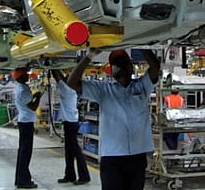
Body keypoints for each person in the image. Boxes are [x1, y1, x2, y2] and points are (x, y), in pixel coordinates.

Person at [68, 49, 161, 190]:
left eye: (123, 62)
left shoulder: (141, 87)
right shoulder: (103, 90)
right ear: (111, 70)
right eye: (115, 64)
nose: (120, 66)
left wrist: (142, 45)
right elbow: (72, 82)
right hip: (112, 158)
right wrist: (89, 56)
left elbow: (155, 68)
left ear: (130, 66)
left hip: (137, 157)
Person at [51, 70, 90, 185]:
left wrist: (52, 67)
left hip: (71, 124)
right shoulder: (70, 89)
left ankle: (84, 176)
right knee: (69, 151)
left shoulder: (67, 90)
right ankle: (70, 175)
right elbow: (62, 78)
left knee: (75, 151)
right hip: (70, 123)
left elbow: (58, 77)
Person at [12, 68, 42, 189]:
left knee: (22, 152)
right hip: (26, 122)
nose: (27, 76)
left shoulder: (22, 88)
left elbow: (28, 101)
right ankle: (23, 181)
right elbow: (33, 106)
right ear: (19, 77)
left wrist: (34, 94)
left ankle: (19, 179)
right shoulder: (22, 91)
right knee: (25, 152)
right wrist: (38, 96)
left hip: (24, 121)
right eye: (25, 75)